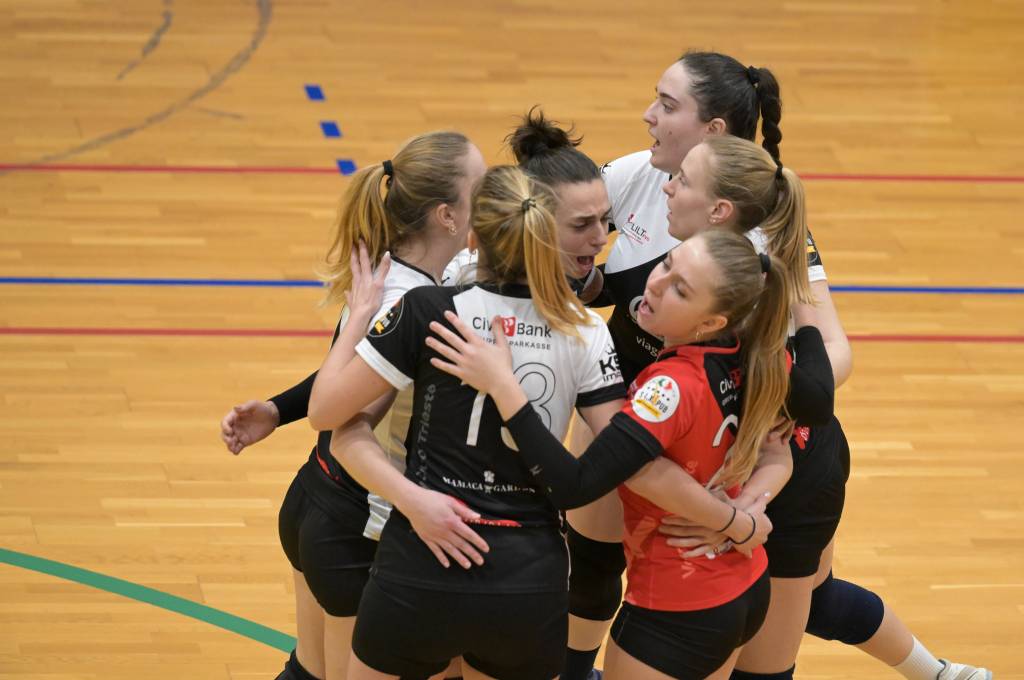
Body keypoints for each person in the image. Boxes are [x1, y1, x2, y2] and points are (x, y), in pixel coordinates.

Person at [595, 50, 988, 680]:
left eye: (668, 106)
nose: (649, 119)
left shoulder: (766, 251)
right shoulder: (653, 194)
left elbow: (828, 362)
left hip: (784, 456)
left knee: (782, 623)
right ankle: (940, 673)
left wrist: (755, 443)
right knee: (795, 601)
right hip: (732, 454)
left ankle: (940, 674)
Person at [426, 229, 833, 678]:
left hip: (676, 606)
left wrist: (505, 388)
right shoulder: (756, 354)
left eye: (681, 290)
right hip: (741, 584)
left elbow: (574, 486)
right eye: (667, 263)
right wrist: (742, 515)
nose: (655, 284)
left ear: (711, 322)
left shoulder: (671, 388)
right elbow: (780, 454)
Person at [304, 164, 631, 680]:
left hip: (424, 558)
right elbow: (609, 464)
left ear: (474, 238)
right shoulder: (586, 329)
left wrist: (359, 319)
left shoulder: (428, 309)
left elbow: (327, 415)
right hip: (527, 577)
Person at [220, 131, 487, 680]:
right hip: (357, 527)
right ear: (446, 216)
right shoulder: (409, 302)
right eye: (481, 190)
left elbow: (352, 378)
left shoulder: (393, 274)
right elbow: (343, 413)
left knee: (308, 671)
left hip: (314, 502)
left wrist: (277, 409)